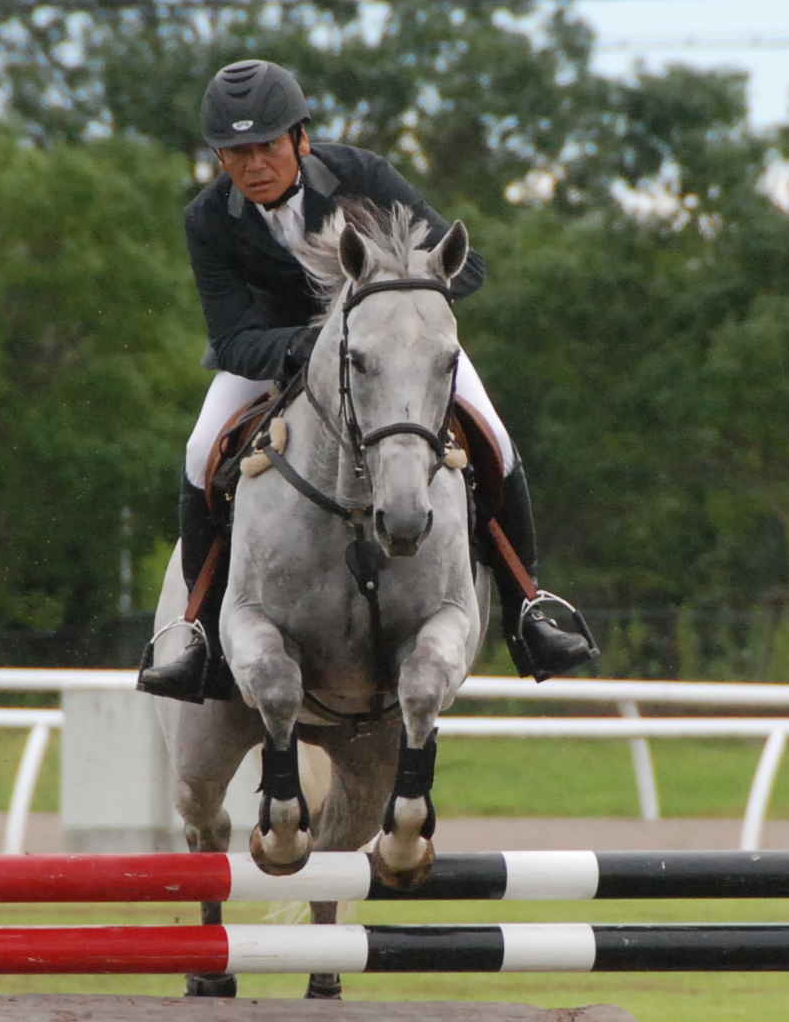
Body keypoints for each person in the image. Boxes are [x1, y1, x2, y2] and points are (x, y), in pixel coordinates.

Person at [137, 57, 598, 700]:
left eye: (266, 146)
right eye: (233, 153)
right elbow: (232, 337)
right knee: (197, 452)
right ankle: (196, 635)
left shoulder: (361, 175)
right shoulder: (208, 220)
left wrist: (399, 291)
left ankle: (530, 608)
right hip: (277, 358)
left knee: (493, 435)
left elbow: (464, 269)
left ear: (301, 137)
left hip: (397, 346)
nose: (253, 166)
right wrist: (316, 346)